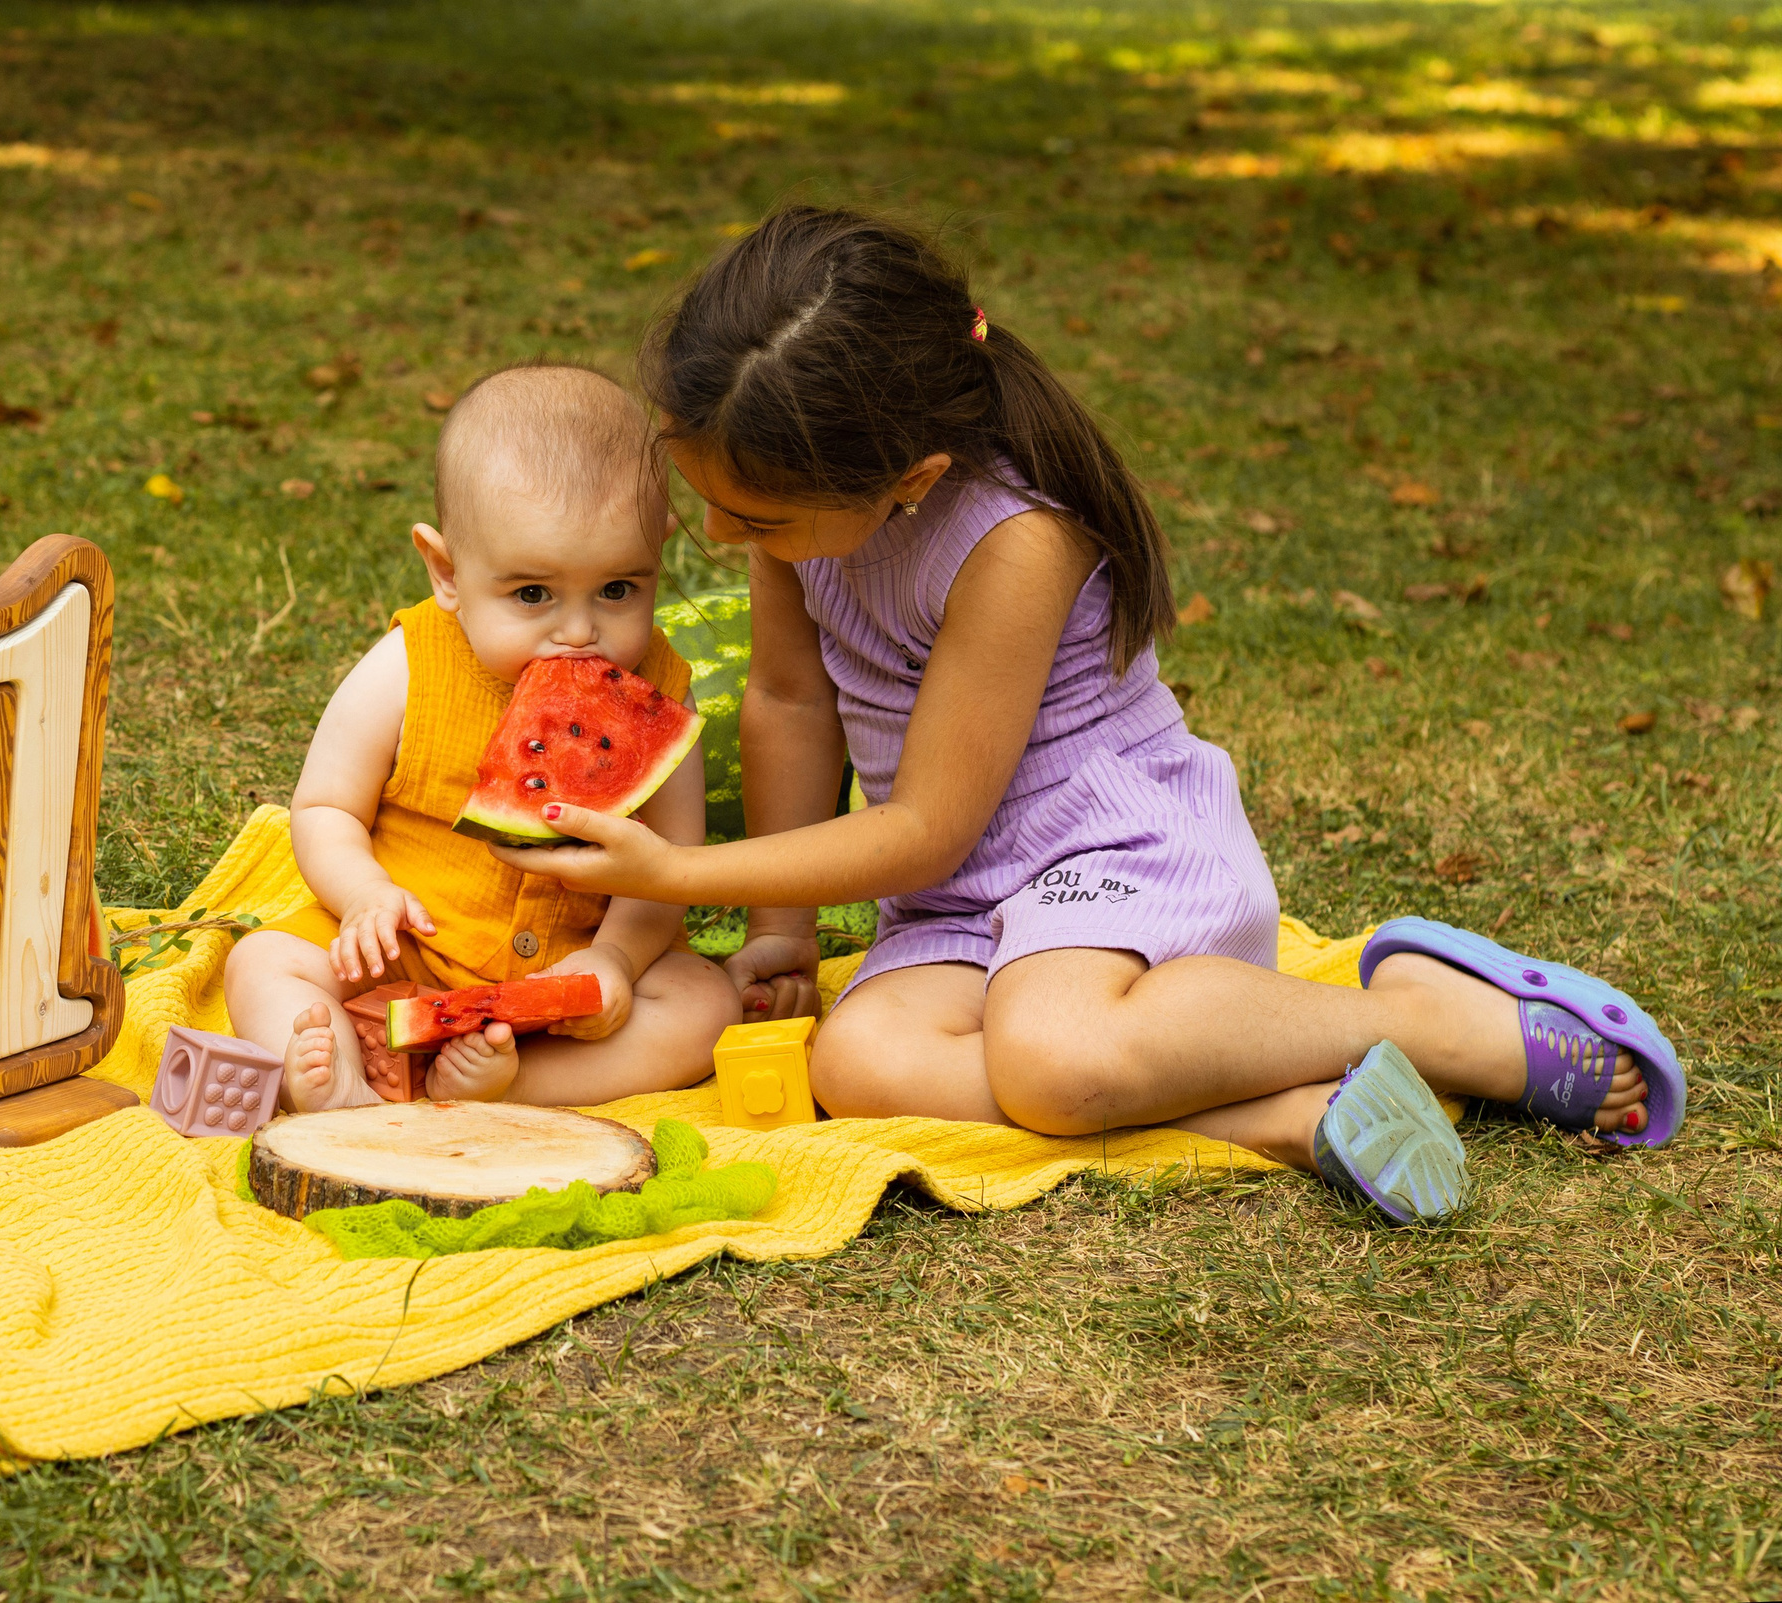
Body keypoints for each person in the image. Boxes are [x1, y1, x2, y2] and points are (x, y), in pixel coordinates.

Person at [486, 207, 1685, 1223]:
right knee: (857, 1059)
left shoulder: (1018, 538)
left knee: (1053, 1059)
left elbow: (927, 829)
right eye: (717, 506)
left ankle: (1434, 1018)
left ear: (906, 482)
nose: (718, 539)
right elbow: (793, 702)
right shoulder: (789, 498)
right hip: (965, 905)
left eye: (753, 521)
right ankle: (1291, 1114)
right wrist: (782, 932)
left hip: (1108, 851)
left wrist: (679, 873)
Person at [222, 363, 738, 1113]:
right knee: (263, 961)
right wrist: (366, 896)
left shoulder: (662, 687)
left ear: (658, 555)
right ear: (447, 571)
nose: (578, 630)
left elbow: (669, 869)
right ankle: (337, 1081)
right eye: (533, 593)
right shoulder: (408, 661)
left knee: (701, 1004)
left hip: (564, 979)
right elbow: (326, 806)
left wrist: (616, 959)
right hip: (407, 950)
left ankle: (511, 1083)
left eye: (619, 589)